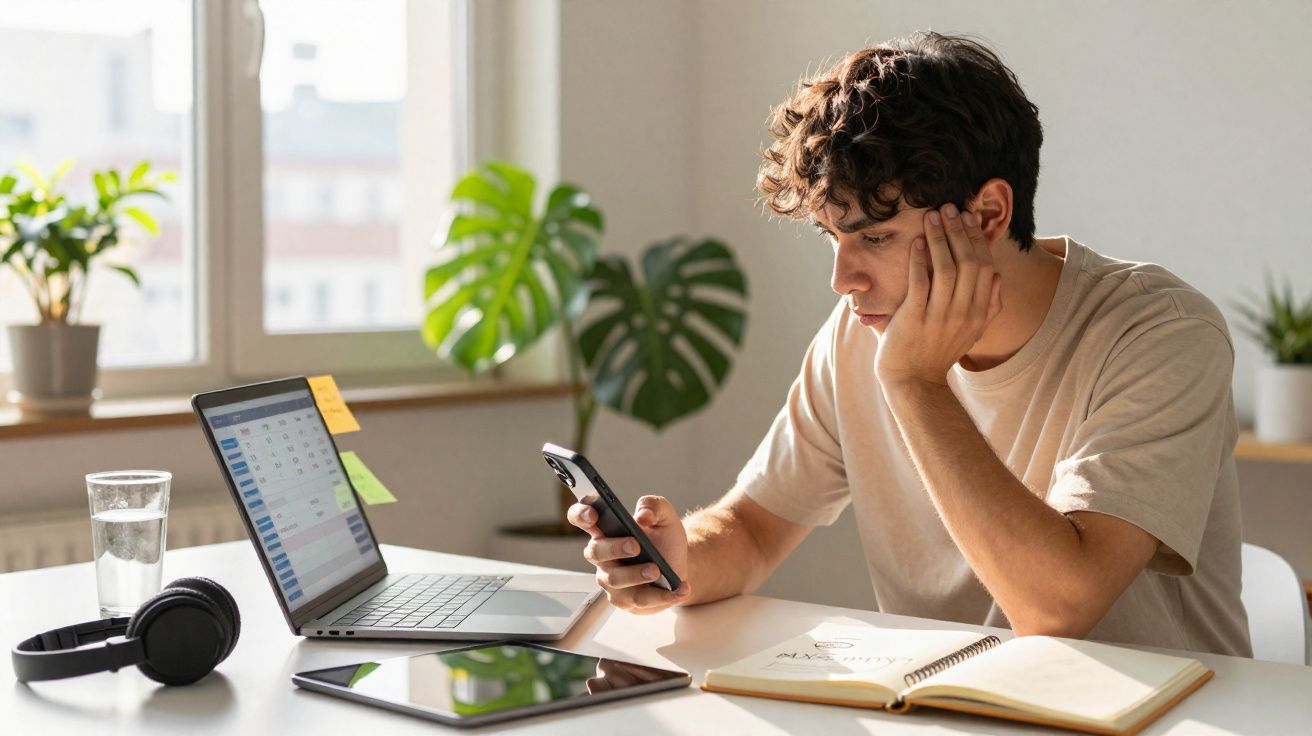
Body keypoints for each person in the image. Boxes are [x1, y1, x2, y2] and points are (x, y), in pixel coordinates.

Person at [567, 31, 1251, 657]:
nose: (842, 279)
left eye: (874, 237)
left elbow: (1057, 608)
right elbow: (750, 530)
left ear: (987, 215)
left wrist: (915, 384)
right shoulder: (858, 334)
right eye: (831, 239)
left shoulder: (1160, 333)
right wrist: (681, 556)